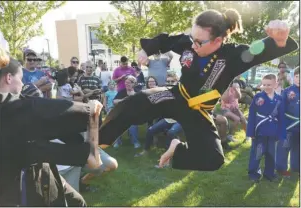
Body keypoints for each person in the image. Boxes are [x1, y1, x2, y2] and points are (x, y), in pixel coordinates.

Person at [99, 9, 298, 171]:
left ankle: (176, 150)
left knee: (213, 159)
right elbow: (165, 40)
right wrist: (145, 50)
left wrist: (278, 39)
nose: (192, 45)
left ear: (218, 40)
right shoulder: (188, 43)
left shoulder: (234, 56)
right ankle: (97, 144)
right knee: (134, 103)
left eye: (199, 42)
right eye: (192, 38)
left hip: (199, 112)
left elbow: (261, 49)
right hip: (176, 96)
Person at [0, 57, 103, 206]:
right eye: (20, 79)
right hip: (28, 189)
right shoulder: (24, 114)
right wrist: (92, 112)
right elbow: (93, 159)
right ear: (9, 78)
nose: (22, 84)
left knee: (77, 201)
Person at [246, 74, 286, 183]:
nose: (266, 87)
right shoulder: (258, 97)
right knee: (257, 153)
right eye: (264, 84)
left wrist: (281, 134)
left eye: (269, 84)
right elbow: (252, 115)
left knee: (271, 154)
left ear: (276, 84)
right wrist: (250, 131)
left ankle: (269, 173)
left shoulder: (280, 99)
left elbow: (282, 118)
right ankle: (254, 173)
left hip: (273, 132)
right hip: (260, 132)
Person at [276, 67, 300, 177]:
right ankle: (281, 168)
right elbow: (281, 109)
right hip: (288, 125)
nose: (299, 79)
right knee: (284, 147)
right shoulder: (287, 91)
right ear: (293, 77)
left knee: (298, 147)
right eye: (297, 76)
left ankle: (296, 166)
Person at [112, 75, 141, 149]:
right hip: (122, 114)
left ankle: (135, 141)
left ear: (134, 84)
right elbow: (114, 101)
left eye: (129, 83)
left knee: (133, 126)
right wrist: (124, 99)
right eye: (126, 82)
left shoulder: (137, 92)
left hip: (133, 115)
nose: (127, 84)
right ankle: (117, 142)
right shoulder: (122, 92)